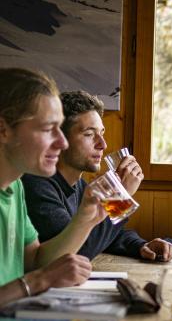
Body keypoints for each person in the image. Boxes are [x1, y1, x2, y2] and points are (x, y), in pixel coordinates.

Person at [22, 90, 172, 262]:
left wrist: (140, 245)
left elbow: (102, 231)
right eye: (89, 134)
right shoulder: (36, 185)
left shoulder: (78, 185)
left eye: (101, 133)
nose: (102, 144)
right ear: (59, 139)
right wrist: (120, 197)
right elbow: (76, 253)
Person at [0, 68, 106, 307]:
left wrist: (86, 219)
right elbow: (39, 272)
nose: (62, 142)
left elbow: (35, 259)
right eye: (48, 129)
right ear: (4, 130)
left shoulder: (15, 187)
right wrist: (39, 280)